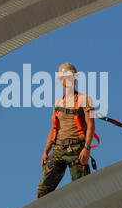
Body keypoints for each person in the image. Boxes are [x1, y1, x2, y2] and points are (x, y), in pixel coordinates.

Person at [37, 63, 95, 198]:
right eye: (63, 78)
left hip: (77, 149)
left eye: (69, 78)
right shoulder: (58, 103)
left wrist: (87, 147)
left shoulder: (85, 99)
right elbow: (54, 128)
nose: (66, 81)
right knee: (43, 190)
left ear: (74, 79)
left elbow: (91, 125)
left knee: (83, 190)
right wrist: (46, 150)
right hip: (58, 149)